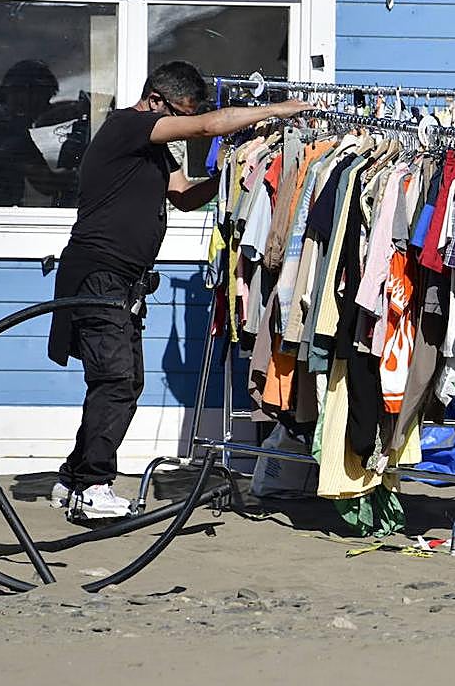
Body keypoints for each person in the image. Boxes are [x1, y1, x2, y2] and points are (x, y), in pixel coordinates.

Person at [47, 60, 308, 519]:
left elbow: (184, 196)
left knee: (123, 382)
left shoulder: (151, 151)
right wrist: (277, 111)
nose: (188, 131)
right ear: (155, 101)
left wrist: (227, 177)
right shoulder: (128, 126)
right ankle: (92, 487)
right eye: (180, 118)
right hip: (98, 274)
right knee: (114, 382)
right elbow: (209, 124)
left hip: (121, 282)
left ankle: (74, 478)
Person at [0, 59, 75, 207]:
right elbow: (46, 184)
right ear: (26, 96)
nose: (45, 107)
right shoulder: (11, 131)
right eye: (44, 99)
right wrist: (74, 176)